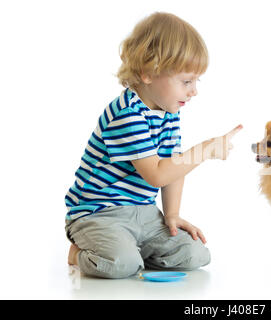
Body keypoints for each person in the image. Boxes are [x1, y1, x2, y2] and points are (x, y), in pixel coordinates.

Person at [65, 12, 242, 279]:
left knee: (196, 254)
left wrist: (172, 214)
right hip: (98, 213)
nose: (193, 91)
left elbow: (174, 165)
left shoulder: (168, 112)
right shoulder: (127, 113)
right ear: (148, 73)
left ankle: (135, 251)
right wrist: (205, 149)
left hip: (145, 213)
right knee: (121, 265)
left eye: (196, 81)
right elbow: (157, 174)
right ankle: (79, 253)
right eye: (186, 82)